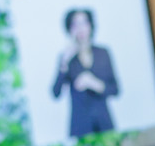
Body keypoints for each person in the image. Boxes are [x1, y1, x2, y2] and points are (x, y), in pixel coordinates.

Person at [50, 8, 119, 138]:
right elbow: (55, 93)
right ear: (70, 29)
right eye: (75, 24)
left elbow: (115, 90)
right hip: (80, 127)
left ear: (91, 26)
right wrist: (64, 64)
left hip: (104, 124)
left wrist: (93, 83)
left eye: (84, 23)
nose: (80, 28)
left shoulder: (103, 53)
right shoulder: (66, 58)